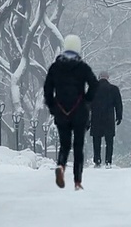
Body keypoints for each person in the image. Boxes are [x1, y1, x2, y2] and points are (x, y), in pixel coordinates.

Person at [43, 34, 98, 190]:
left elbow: (47, 88)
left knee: (65, 144)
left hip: (61, 111)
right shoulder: (82, 67)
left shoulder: (55, 67)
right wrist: (87, 100)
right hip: (79, 110)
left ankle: (61, 166)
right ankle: (77, 181)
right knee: (78, 146)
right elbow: (94, 84)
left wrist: (52, 106)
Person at [90, 70, 123, 168]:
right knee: (109, 141)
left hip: (96, 119)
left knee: (97, 140)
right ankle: (108, 161)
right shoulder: (114, 89)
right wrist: (119, 116)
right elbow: (118, 104)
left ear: (99, 77)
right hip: (109, 118)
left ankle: (97, 161)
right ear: (108, 77)